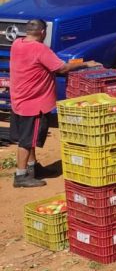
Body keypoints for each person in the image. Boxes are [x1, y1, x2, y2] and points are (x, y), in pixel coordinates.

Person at [9, 19, 98, 187]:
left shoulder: (17, 44)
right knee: (27, 141)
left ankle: (32, 167)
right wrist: (86, 63)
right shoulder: (40, 49)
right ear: (43, 32)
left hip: (19, 99)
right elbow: (61, 68)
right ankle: (20, 175)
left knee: (30, 138)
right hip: (34, 103)